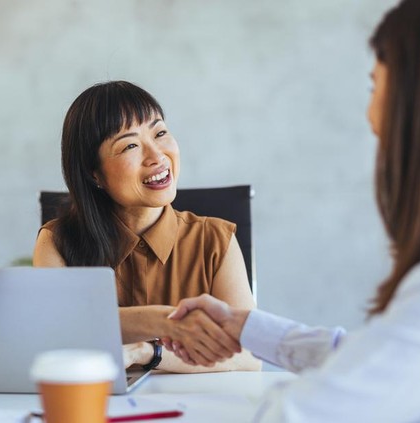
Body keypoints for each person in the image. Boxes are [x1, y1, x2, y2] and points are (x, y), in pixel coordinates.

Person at [163, 0, 420, 420]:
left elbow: (299, 415)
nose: (370, 117)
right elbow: (377, 357)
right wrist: (247, 328)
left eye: (375, 86)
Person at [33, 81, 260, 373]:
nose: (157, 157)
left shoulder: (215, 240)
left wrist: (148, 351)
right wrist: (163, 322)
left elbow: (250, 354)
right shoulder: (57, 241)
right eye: (130, 145)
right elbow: (58, 332)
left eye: (160, 133)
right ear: (94, 174)